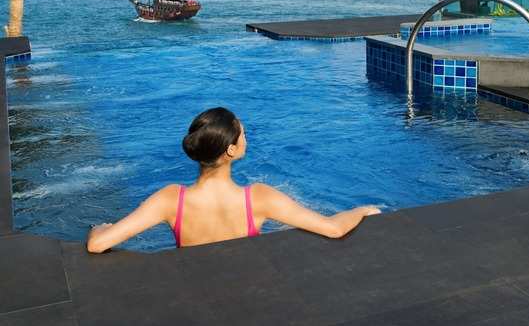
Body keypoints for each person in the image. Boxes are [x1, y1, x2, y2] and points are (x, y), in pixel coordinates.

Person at [86, 107, 380, 253]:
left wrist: (100, 228)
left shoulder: (170, 199)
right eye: (243, 134)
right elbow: (333, 229)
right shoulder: (259, 198)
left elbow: (97, 245)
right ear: (231, 149)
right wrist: (361, 210)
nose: (246, 138)